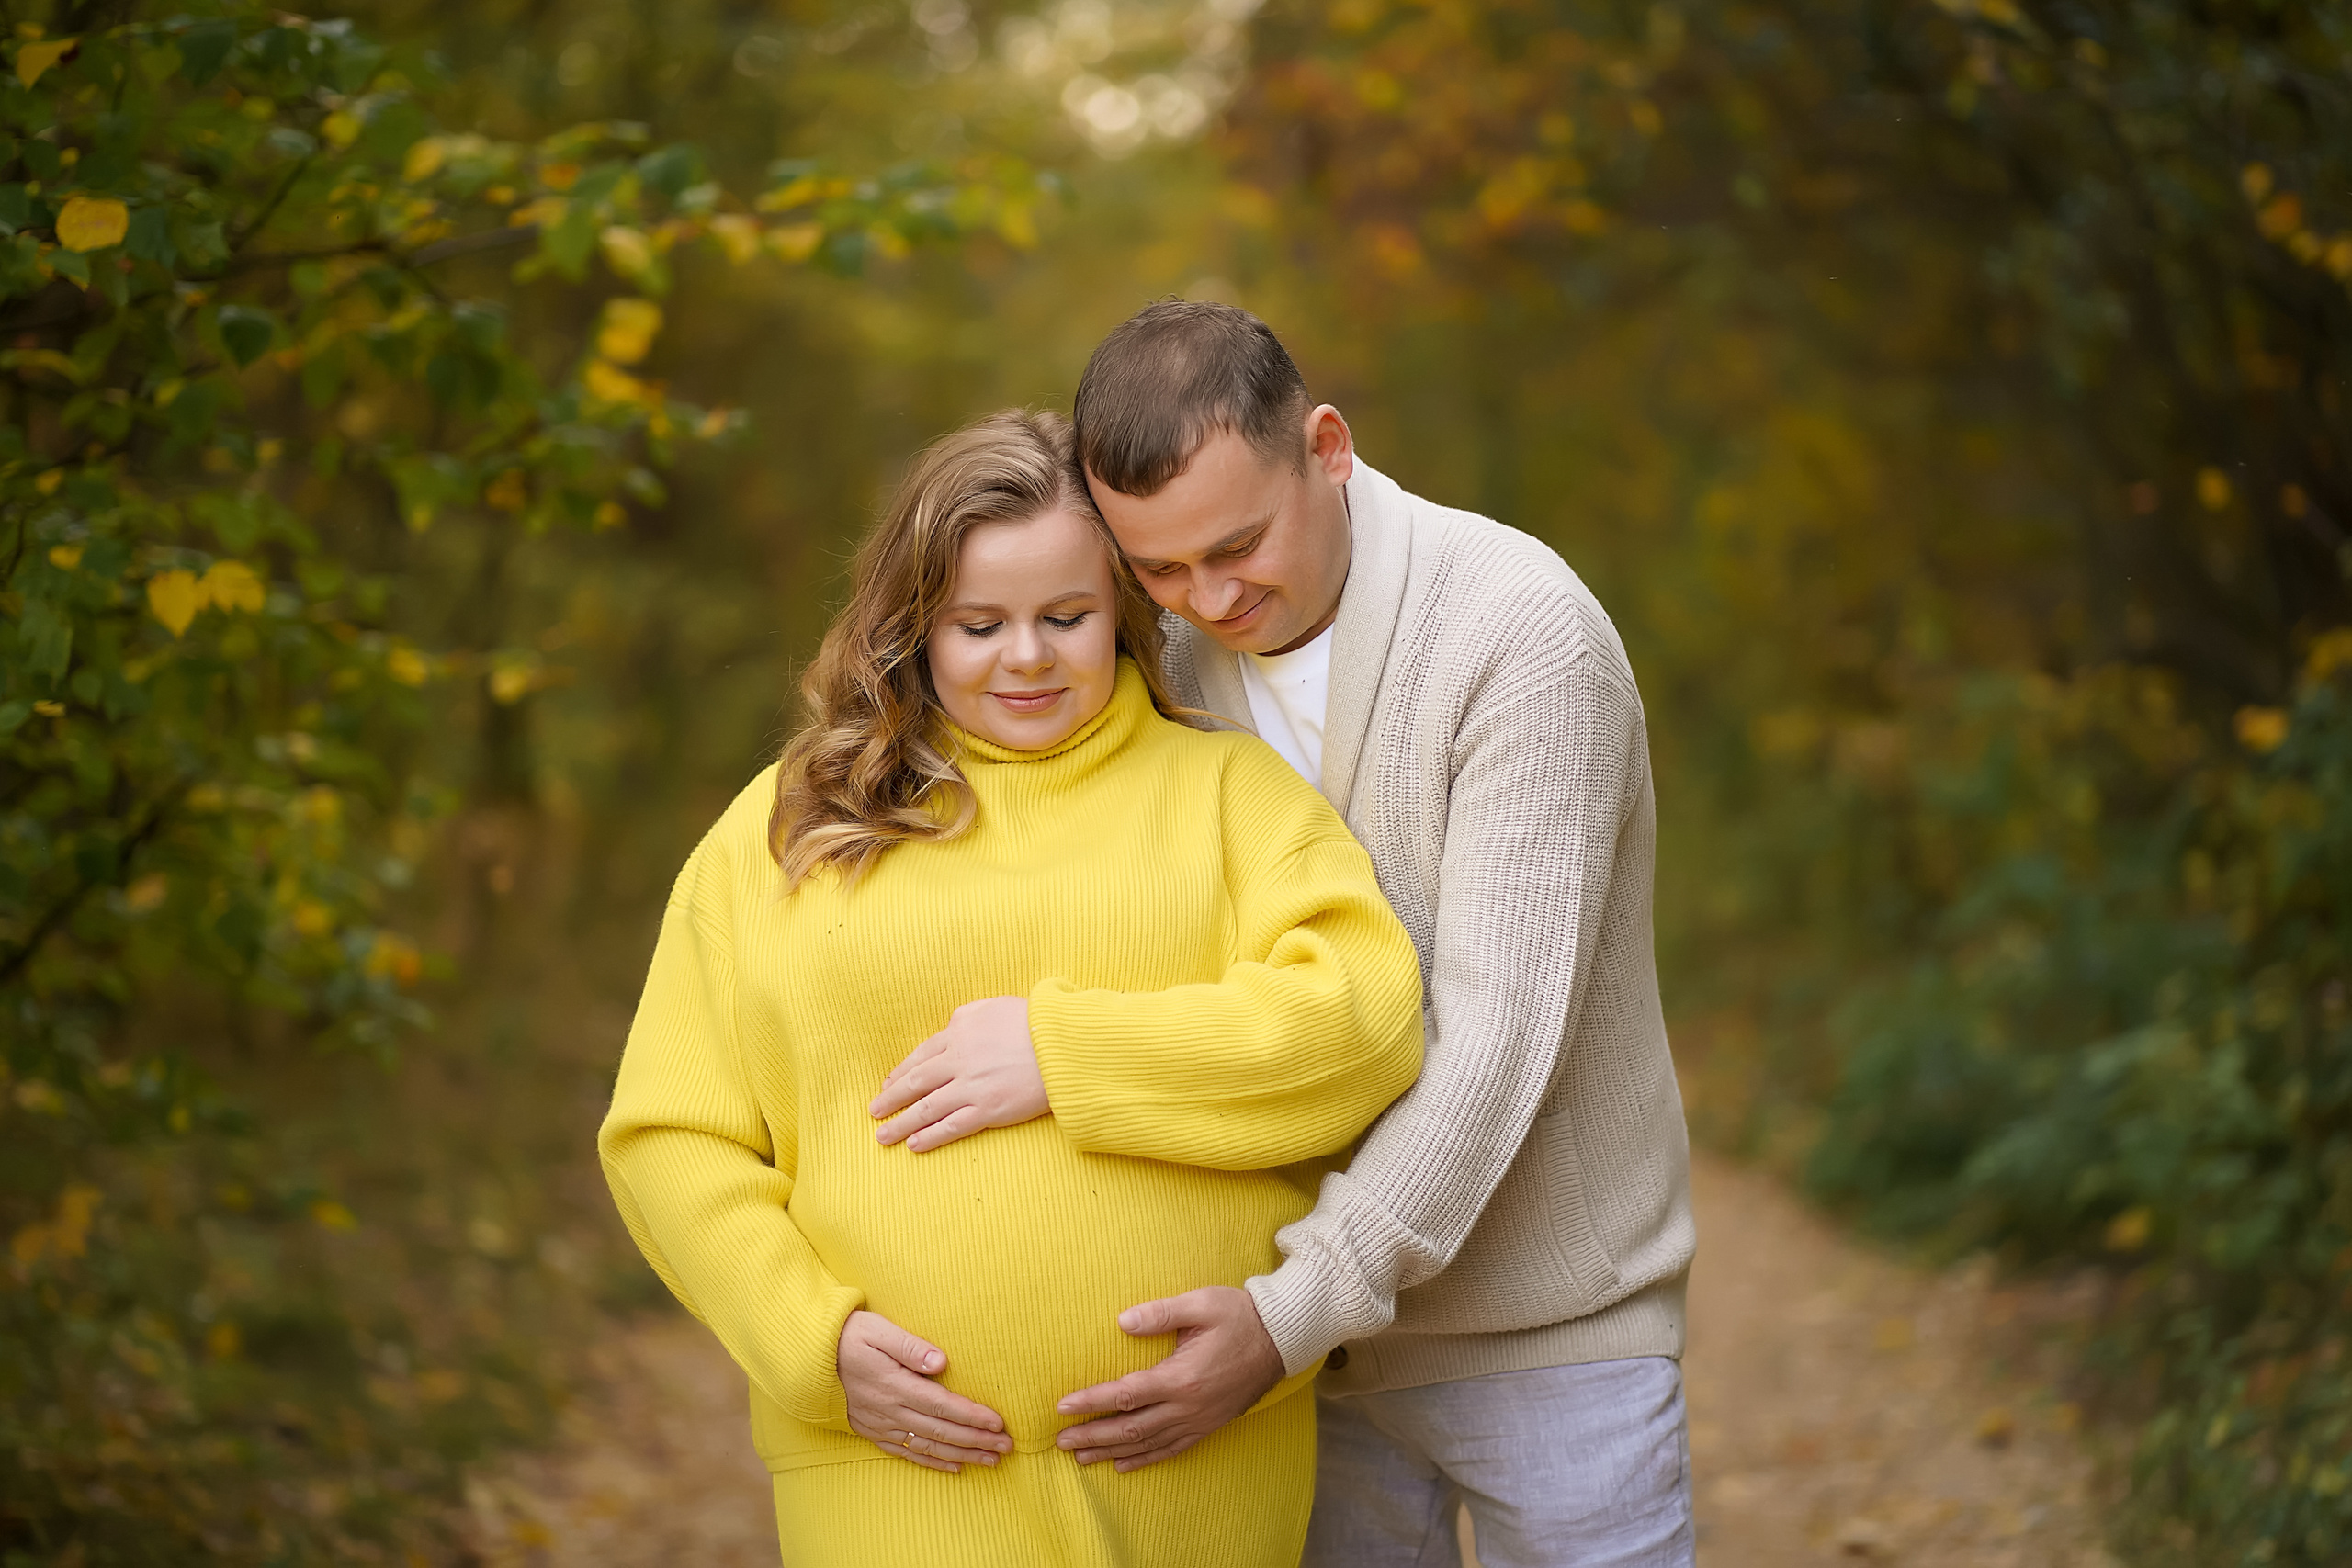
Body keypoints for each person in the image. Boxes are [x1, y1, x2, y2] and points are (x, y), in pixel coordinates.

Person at [903, 306, 1698, 1565]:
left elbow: (1495, 1044)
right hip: (1282, 1362)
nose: (1210, 600)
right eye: (1157, 570)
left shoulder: (1518, 630)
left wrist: (1292, 1307)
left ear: (1325, 448)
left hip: (1542, 1333)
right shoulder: (1160, 658)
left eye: (1239, 545)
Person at [595, 409, 1424, 1568]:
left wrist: (1067, 1057)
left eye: (1066, 617)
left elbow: (1361, 1023)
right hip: (892, 1470)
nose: (1025, 656)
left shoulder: (1234, 796)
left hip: (1197, 1468)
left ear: (1125, 613)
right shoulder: (792, 823)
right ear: (912, 625)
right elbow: (671, 1133)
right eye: (977, 624)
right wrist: (811, 1346)